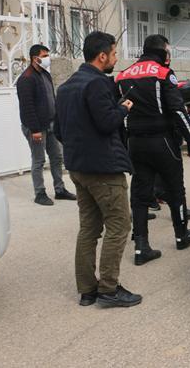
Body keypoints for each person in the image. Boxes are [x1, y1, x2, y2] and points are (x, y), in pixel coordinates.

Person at [54, 31, 141, 308]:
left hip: (78, 169)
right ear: (102, 56)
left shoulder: (66, 88)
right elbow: (106, 123)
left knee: (89, 229)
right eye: (114, 54)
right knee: (119, 225)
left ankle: (87, 291)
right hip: (104, 170)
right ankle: (109, 288)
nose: (116, 59)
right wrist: (124, 108)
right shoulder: (97, 84)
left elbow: (59, 131)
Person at [115, 34, 190, 266]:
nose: (169, 55)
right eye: (168, 51)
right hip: (162, 141)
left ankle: (141, 247)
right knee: (175, 190)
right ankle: (181, 235)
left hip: (135, 143)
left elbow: (117, 112)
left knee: (140, 195)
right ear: (161, 52)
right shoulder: (163, 73)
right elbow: (178, 110)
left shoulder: (122, 75)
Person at [16, 44, 76, 205]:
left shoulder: (45, 75)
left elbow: (52, 99)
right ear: (34, 58)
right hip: (36, 128)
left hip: (50, 125)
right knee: (39, 160)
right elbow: (27, 107)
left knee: (57, 157)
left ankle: (59, 189)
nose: (47, 59)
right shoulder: (26, 79)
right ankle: (40, 193)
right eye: (44, 56)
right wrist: (35, 129)